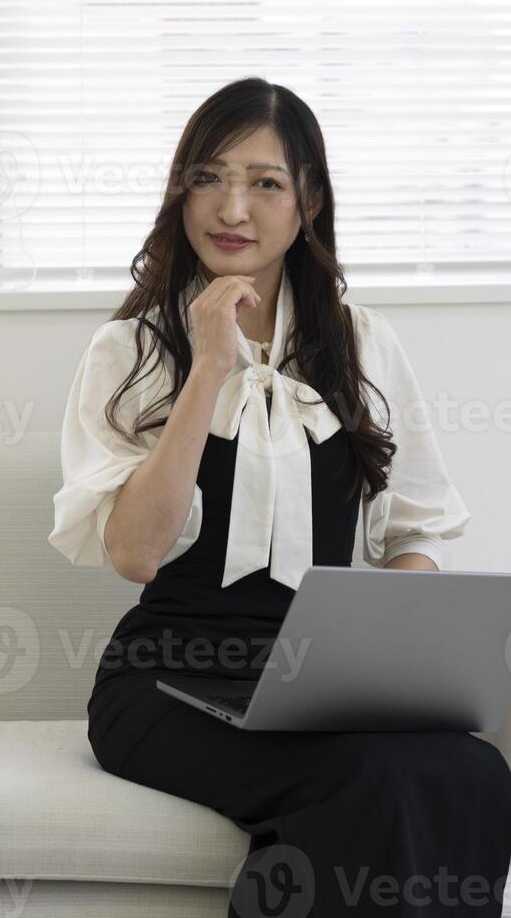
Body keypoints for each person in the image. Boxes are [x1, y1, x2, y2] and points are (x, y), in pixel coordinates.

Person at [48, 77, 511, 917]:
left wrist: (391, 665)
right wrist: (211, 366)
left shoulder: (363, 342)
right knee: (365, 778)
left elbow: (415, 522)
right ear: (180, 191)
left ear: (309, 202)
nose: (233, 207)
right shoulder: (129, 351)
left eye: (265, 182)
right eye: (209, 177)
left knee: (473, 768)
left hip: (315, 681)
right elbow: (134, 553)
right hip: (167, 677)